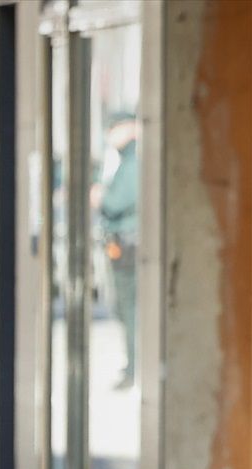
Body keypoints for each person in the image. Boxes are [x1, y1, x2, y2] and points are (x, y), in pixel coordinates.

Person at [93, 111, 141, 389]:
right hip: (124, 243)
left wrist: (101, 197)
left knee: (129, 308)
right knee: (126, 308)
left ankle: (135, 366)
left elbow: (115, 202)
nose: (110, 134)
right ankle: (133, 363)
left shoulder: (133, 162)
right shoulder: (124, 160)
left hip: (128, 245)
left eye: (115, 128)